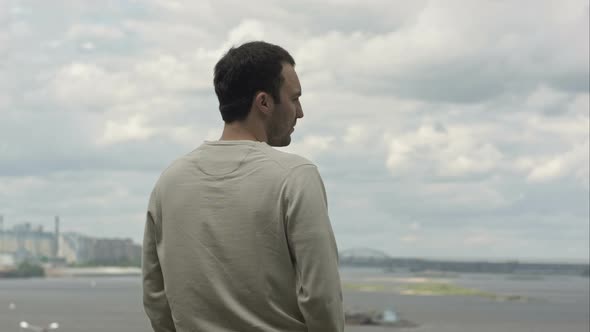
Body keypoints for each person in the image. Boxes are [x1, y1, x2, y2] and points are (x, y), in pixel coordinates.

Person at [142, 41, 344, 332]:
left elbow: (155, 296)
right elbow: (321, 298)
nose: (300, 112)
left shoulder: (170, 180)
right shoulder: (296, 176)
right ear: (264, 102)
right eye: (294, 98)